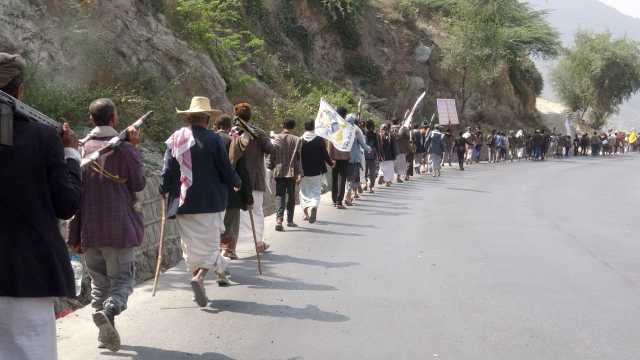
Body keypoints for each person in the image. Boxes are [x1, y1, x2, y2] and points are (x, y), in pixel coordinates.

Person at [0, 53, 81, 360]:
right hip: (27, 273)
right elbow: (66, 204)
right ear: (20, 91)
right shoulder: (43, 137)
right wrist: (71, 155)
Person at [67, 98, 145, 352]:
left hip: (89, 228)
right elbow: (138, 183)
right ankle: (111, 309)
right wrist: (134, 147)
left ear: (91, 119)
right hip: (119, 228)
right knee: (122, 281)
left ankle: (105, 333)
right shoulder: (124, 149)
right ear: (114, 119)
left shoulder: (79, 147)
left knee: (100, 284)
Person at [160, 96, 241, 307]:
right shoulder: (214, 140)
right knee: (212, 245)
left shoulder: (176, 139)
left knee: (191, 246)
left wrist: (164, 189)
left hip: (183, 202)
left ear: (188, 118)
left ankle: (199, 280)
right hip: (210, 201)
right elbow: (225, 169)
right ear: (206, 118)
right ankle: (200, 277)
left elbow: (168, 170)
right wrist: (237, 182)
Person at [236, 103, 273, 253]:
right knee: (256, 211)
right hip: (255, 179)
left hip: (235, 179)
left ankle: (233, 245)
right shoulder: (258, 133)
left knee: (237, 213)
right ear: (250, 116)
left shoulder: (233, 132)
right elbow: (270, 149)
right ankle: (258, 242)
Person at [216, 116, 254, 260]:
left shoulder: (208, 140)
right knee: (231, 222)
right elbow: (243, 172)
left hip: (212, 192)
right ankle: (228, 250)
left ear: (215, 126)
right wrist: (248, 197)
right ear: (228, 127)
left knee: (216, 222)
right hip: (232, 190)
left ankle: (218, 249)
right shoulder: (234, 142)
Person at [268, 118, 301, 231]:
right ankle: (290, 220)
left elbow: (272, 154)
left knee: (280, 195)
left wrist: (270, 166)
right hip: (291, 172)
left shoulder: (276, 138)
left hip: (279, 171)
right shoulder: (297, 140)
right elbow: (298, 158)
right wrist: (299, 173)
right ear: (293, 127)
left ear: (283, 125)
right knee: (291, 196)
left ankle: (279, 219)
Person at [299, 120, 333, 223]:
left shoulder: (300, 140)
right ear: (314, 127)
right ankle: (314, 206)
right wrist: (331, 163)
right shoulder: (319, 140)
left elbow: (297, 157)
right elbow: (324, 155)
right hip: (317, 171)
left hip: (304, 172)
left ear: (304, 127)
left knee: (303, 192)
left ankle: (305, 214)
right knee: (316, 191)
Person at [345, 114, 371, 206]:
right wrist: (369, 149)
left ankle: (349, 195)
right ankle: (348, 196)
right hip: (355, 159)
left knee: (347, 179)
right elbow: (363, 145)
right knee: (352, 178)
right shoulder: (356, 131)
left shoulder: (343, 130)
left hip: (344, 158)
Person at [329, 106, 351, 209]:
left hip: (334, 157)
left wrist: (330, 157)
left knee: (334, 179)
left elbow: (330, 143)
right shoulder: (348, 126)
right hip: (345, 157)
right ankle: (339, 201)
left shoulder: (333, 125)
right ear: (345, 115)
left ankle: (334, 200)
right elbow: (349, 143)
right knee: (342, 179)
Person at [363, 120, 380, 193]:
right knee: (372, 172)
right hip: (372, 155)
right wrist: (379, 154)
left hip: (364, 155)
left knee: (365, 171)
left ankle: (365, 184)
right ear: (372, 127)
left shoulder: (363, 134)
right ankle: (371, 187)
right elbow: (377, 146)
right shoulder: (374, 135)